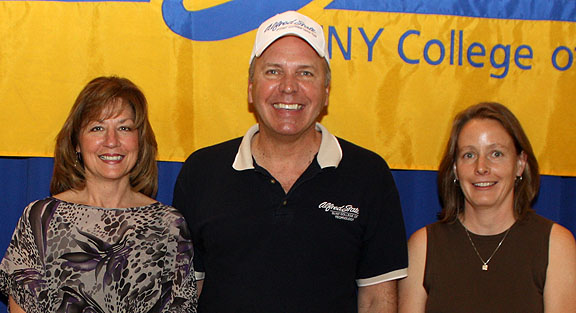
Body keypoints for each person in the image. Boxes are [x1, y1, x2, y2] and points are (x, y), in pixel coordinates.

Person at [173, 10, 408, 313]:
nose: (288, 86)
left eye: (305, 73)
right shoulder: (202, 172)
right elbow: (188, 293)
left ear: (326, 92)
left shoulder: (369, 175)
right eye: (273, 71)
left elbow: (378, 300)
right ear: (250, 87)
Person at [0, 76, 197, 313]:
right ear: (76, 143)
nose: (111, 141)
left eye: (124, 127)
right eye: (97, 128)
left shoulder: (169, 226)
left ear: (140, 141)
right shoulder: (41, 219)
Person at [398, 102, 576, 312]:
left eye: (496, 154)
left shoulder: (556, 245)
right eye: (469, 155)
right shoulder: (423, 246)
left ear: (520, 164)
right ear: (455, 169)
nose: (481, 167)